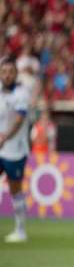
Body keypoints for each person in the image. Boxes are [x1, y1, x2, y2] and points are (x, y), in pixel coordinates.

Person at [0, 58, 31, 243]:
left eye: (11, 71)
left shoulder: (21, 93)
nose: (7, 75)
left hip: (15, 150)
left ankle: (20, 230)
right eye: (4, 71)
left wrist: (5, 137)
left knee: (15, 189)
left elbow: (19, 119)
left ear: (16, 74)